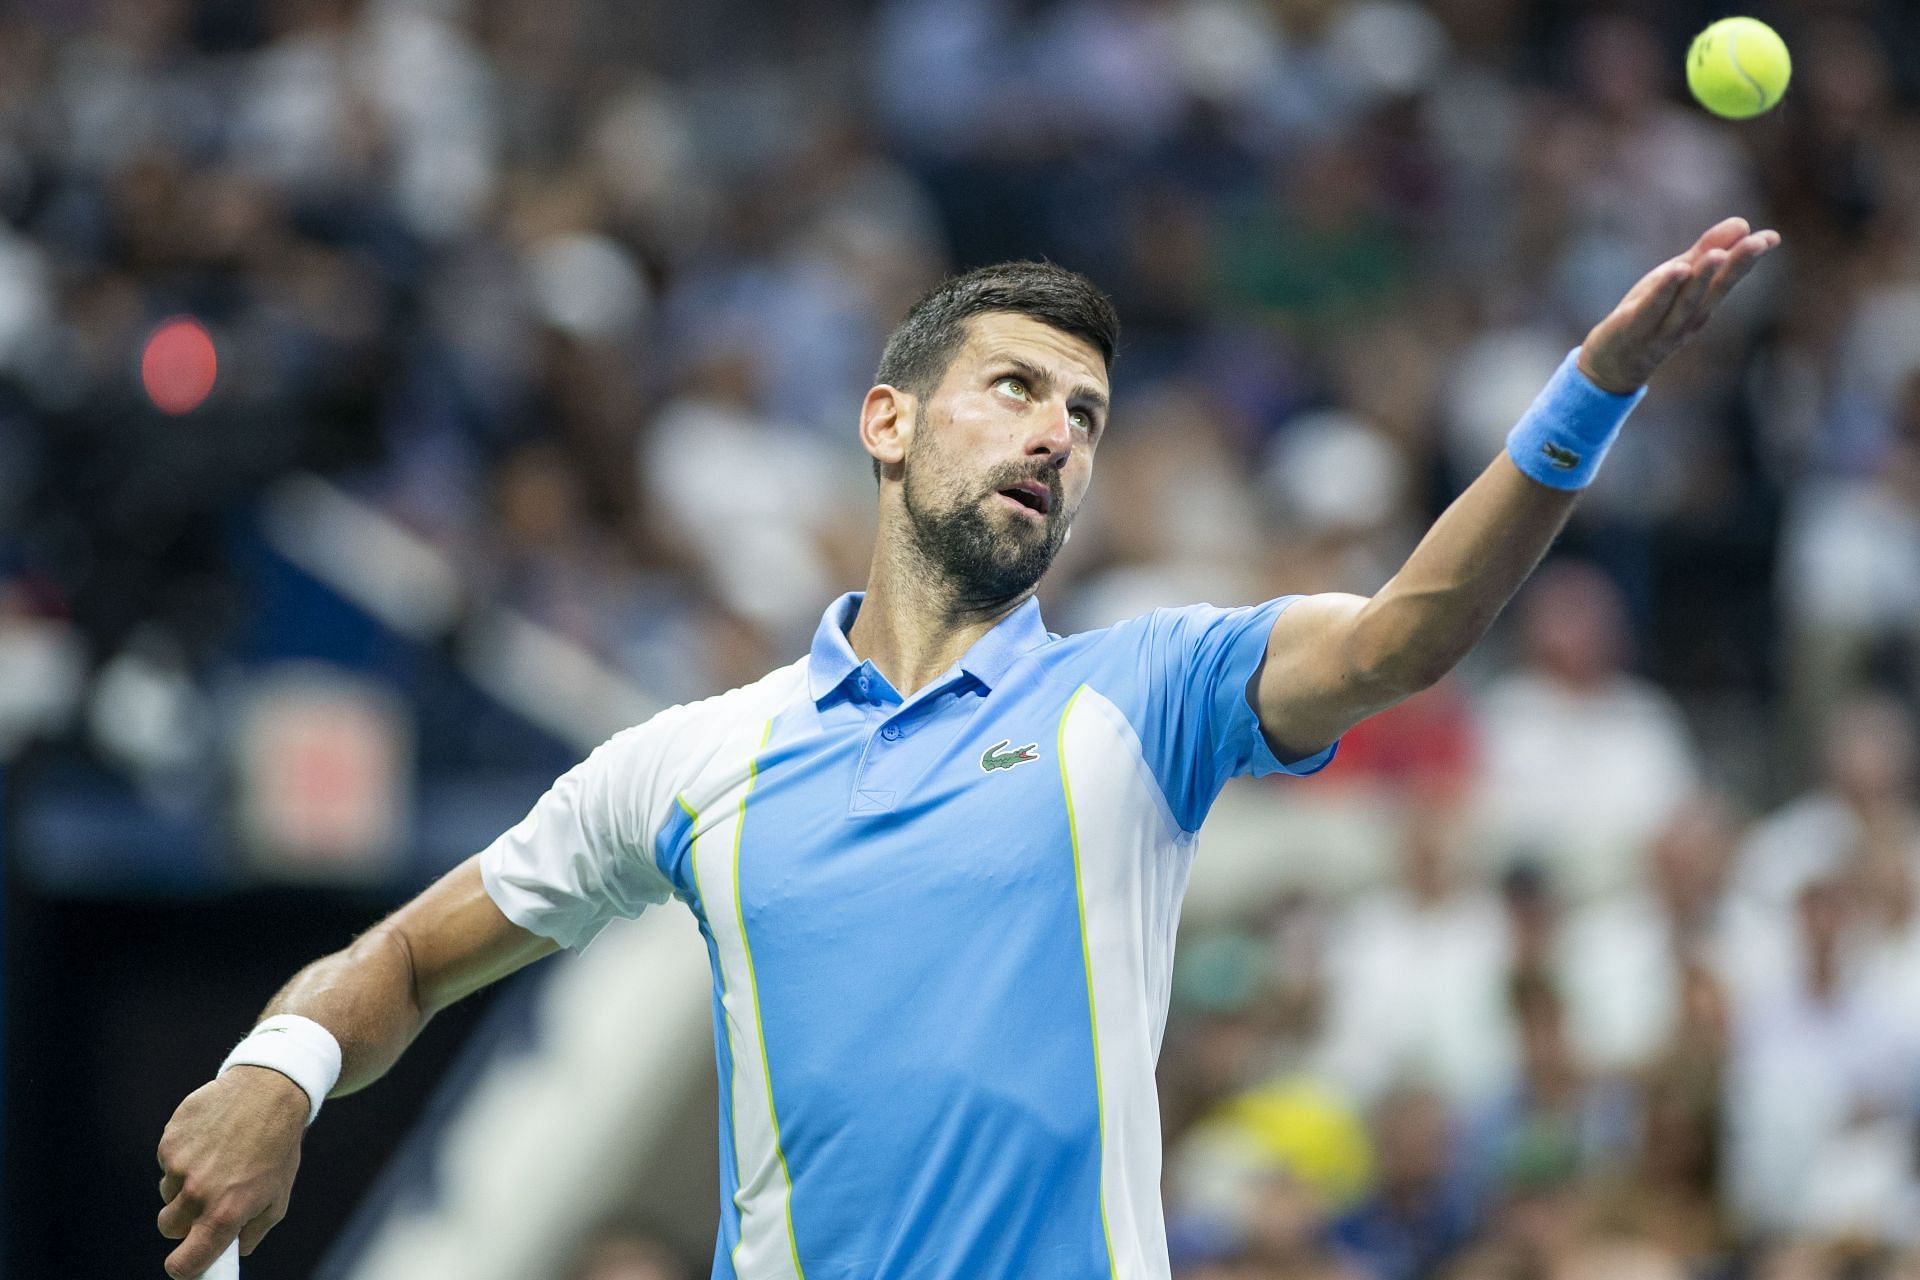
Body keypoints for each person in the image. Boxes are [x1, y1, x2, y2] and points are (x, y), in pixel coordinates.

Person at [156, 218, 1777, 1280]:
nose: (1056, 437)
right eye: (1014, 390)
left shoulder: (1148, 696)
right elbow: (403, 960)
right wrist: (275, 1076)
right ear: (889, 422)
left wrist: (1593, 392)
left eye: (1085, 417)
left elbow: (1406, 632)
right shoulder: (691, 762)